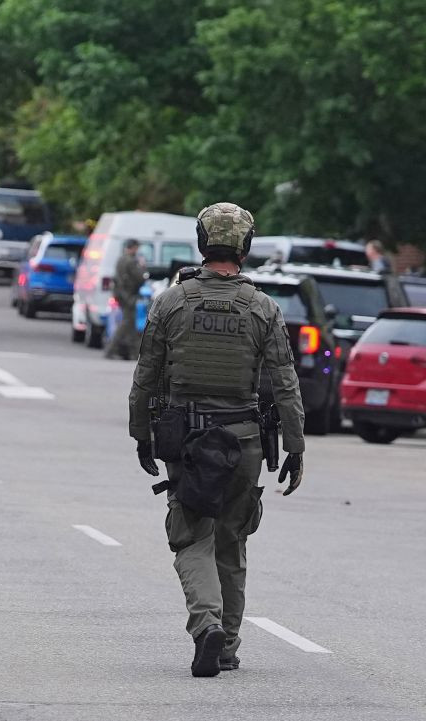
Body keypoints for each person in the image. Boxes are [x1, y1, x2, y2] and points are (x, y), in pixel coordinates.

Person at [128, 202, 305, 677]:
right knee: (232, 541)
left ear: (202, 244)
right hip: (244, 441)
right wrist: (295, 445)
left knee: (192, 537)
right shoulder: (263, 308)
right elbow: (285, 381)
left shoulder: (171, 302)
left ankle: (206, 625)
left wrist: (140, 434)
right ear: (245, 248)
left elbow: (145, 376)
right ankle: (226, 644)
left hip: (188, 439)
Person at [104, 239, 145, 360]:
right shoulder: (131, 261)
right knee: (127, 323)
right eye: (136, 248)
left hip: (121, 295)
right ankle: (111, 349)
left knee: (130, 324)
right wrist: (143, 267)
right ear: (133, 248)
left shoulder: (121, 259)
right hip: (129, 296)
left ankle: (133, 353)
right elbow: (140, 278)